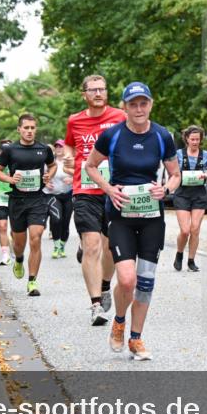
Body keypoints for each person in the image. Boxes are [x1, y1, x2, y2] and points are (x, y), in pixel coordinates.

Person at [84, 82, 179, 361]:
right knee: (127, 280)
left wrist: (167, 189)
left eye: (143, 103)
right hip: (121, 217)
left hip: (152, 218)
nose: (138, 109)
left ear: (150, 104)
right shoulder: (112, 136)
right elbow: (90, 166)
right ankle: (119, 321)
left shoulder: (162, 136)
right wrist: (109, 188)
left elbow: (175, 173)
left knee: (146, 283)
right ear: (124, 106)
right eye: (133, 104)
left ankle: (136, 339)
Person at [63, 74, 126, 325]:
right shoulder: (75, 120)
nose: (98, 93)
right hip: (84, 190)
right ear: (84, 94)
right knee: (91, 245)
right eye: (93, 90)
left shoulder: (120, 118)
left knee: (111, 248)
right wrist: (69, 156)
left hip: (113, 191)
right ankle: (95, 305)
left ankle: (105, 284)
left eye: (102, 89)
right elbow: (69, 145)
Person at [0, 114, 56, 296]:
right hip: (17, 201)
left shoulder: (44, 149)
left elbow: (52, 166)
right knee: (19, 244)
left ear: (36, 129)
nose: (29, 131)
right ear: (19, 129)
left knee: (36, 238)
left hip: (37, 200)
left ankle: (32, 282)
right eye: (26, 128)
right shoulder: (10, 150)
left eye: (32, 128)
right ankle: (19, 259)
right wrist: (10, 178)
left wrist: (49, 175)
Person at [171, 126, 207, 272]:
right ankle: (179, 254)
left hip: (199, 194)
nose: (195, 142)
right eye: (192, 139)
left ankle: (191, 260)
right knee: (185, 230)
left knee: (195, 229)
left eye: (197, 139)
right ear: (186, 139)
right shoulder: (178, 154)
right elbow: (172, 171)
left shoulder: (206, 155)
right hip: (182, 194)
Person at [45, 139, 74, 259]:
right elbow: (43, 176)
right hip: (54, 195)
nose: (58, 149)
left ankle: (62, 245)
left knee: (65, 222)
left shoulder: (70, 162)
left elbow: (80, 175)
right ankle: (56, 246)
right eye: (56, 147)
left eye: (61, 147)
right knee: (56, 219)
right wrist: (46, 182)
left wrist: (72, 180)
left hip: (68, 195)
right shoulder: (50, 163)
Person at [0, 139, 14, 265]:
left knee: (15, 230)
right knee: (2, 226)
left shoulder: (17, 162)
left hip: (15, 198)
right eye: (3, 149)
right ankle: (5, 255)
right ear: (0, 151)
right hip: (0, 197)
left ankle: (14, 250)